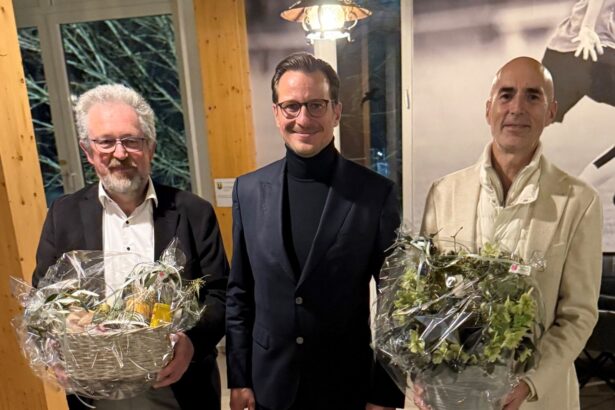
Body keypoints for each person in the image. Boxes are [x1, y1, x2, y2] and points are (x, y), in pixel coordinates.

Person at [420, 57, 603, 409]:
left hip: (535, 398)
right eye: (506, 95)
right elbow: (424, 297)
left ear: (551, 112)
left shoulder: (579, 202)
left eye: (532, 96)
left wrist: (530, 383)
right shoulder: (444, 193)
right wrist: (422, 369)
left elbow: (578, 315)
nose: (517, 108)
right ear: (488, 110)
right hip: (452, 393)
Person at [225, 52, 405, 410]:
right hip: (269, 384)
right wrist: (239, 376)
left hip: (346, 386)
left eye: (316, 105)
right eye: (291, 106)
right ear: (276, 113)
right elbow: (240, 292)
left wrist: (385, 393)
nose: (303, 118)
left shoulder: (375, 194)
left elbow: (396, 302)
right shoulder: (247, 190)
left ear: (336, 111)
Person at [32, 84, 229, 410]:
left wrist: (192, 343)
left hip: (178, 387)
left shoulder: (194, 212)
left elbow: (220, 295)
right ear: (87, 150)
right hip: (94, 391)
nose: (120, 153)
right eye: (106, 142)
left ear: (151, 147)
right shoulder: (63, 215)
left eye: (131, 141)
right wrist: (54, 349)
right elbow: (44, 297)